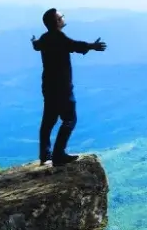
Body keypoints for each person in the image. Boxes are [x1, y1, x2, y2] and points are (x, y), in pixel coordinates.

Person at [31, 8, 106, 166]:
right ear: (57, 22)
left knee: (48, 121)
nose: (63, 18)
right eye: (61, 17)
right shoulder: (59, 37)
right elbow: (74, 45)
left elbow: (37, 45)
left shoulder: (45, 38)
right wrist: (93, 46)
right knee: (70, 119)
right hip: (62, 87)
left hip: (48, 86)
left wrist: (33, 41)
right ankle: (58, 154)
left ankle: (45, 155)